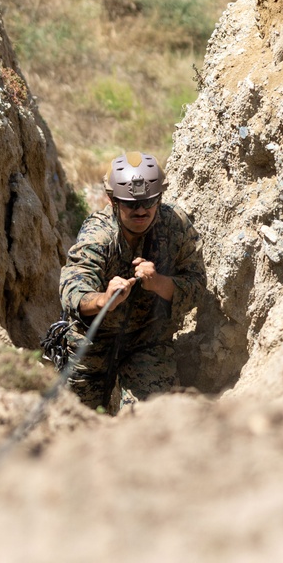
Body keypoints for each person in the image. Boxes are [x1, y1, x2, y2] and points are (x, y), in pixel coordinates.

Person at [59, 151, 206, 411]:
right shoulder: (98, 235)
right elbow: (73, 291)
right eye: (130, 204)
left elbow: (197, 285)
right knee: (76, 419)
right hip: (93, 341)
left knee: (150, 418)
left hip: (148, 340)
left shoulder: (175, 225)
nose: (141, 211)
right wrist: (104, 299)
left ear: (159, 197)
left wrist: (160, 283)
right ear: (113, 200)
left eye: (149, 202)